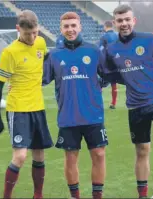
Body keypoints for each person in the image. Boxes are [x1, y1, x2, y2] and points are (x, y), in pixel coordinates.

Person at [103, 4, 153, 198]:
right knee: (142, 150)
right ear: (115, 23)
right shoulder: (111, 49)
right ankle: (143, 195)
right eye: (120, 20)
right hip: (135, 105)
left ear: (134, 20)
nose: (124, 23)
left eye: (127, 19)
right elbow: (109, 74)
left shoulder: (150, 40)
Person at [43, 12, 108, 199]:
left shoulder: (94, 50)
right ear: (61, 29)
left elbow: (106, 75)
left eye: (73, 25)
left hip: (93, 114)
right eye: (66, 26)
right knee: (70, 158)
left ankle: (97, 196)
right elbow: (42, 79)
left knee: (99, 155)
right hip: (68, 116)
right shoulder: (54, 54)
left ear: (80, 27)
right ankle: (75, 196)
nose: (70, 29)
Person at [0, 10, 53, 199]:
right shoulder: (10, 52)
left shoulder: (41, 43)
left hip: (38, 107)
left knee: (39, 155)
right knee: (20, 156)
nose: (33, 37)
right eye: (28, 34)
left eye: (35, 32)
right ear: (18, 29)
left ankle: (38, 195)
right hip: (18, 109)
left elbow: (47, 60)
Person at [99, 20, 118, 109]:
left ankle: (98, 103)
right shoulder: (117, 35)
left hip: (107, 63)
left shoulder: (104, 37)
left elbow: (100, 50)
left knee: (100, 83)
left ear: (105, 26)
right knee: (114, 83)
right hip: (117, 62)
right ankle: (113, 103)